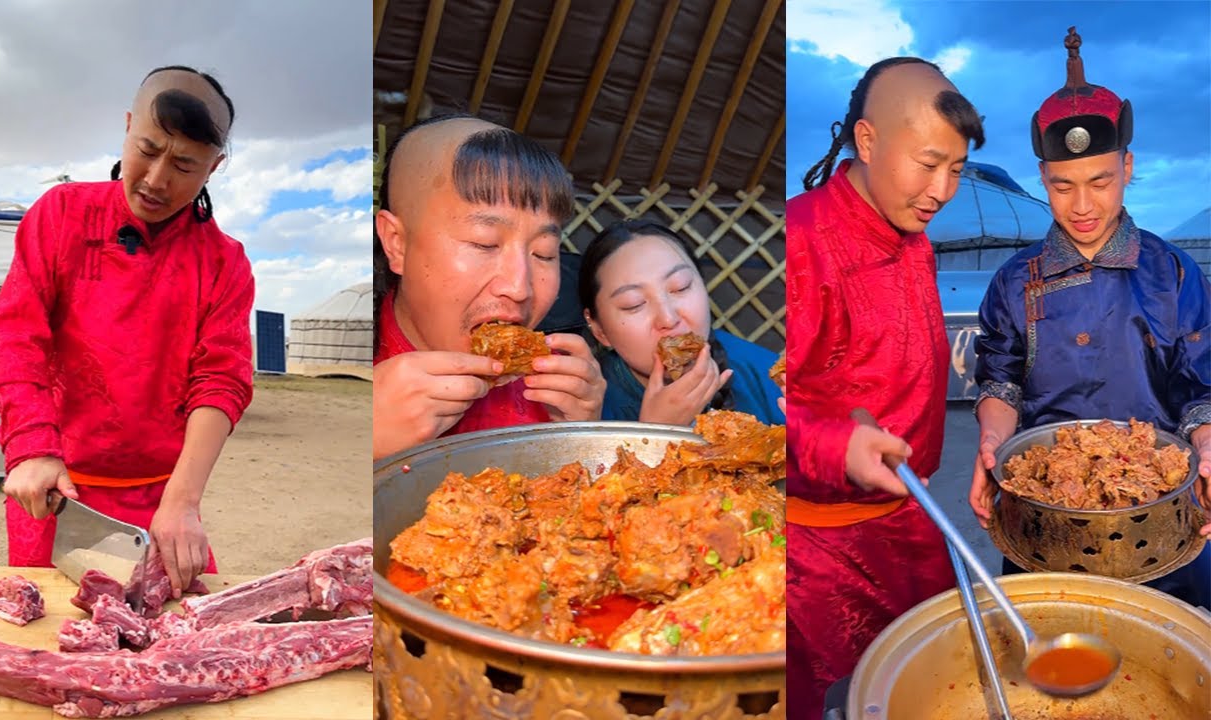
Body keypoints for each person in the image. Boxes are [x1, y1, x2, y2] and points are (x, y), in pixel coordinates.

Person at [0, 65, 252, 598]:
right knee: (53, 631)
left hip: (163, 498)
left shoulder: (225, 261)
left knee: (185, 630)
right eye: (147, 150)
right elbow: (16, 335)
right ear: (128, 127)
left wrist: (183, 501)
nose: (156, 179)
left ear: (214, 167)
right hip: (57, 490)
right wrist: (31, 445)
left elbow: (221, 380)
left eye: (184, 165)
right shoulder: (61, 214)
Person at [970, 27, 1211, 607]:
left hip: (1157, 513)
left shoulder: (1175, 273)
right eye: (1062, 186)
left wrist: (1206, 446)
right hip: (1044, 512)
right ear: (1042, 179)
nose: (1082, 206)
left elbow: (1199, 388)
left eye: (1100, 182)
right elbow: (1000, 381)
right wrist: (992, 441)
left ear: (1127, 166)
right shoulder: (1014, 280)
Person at [785, 58, 986, 719]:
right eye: (928, 164)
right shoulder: (801, 242)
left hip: (914, 516)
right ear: (867, 141)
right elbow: (752, 413)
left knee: (939, 686)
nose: (942, 190)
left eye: (956, 169)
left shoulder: (911, 232)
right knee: (855, 698)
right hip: (827, 553)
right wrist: (834, 446)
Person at [373, 114, 606, 462]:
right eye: (485, 243)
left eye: (544, 253)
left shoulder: (553, 388)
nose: (519, 287)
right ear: (397, 243)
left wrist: (583, 438)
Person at [577, 219, 784, 426]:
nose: (668, 319)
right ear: (599, 330)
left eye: (681, 287)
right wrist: (657, 429)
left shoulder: (770, 376)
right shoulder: (584, 408)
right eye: (634, 304)